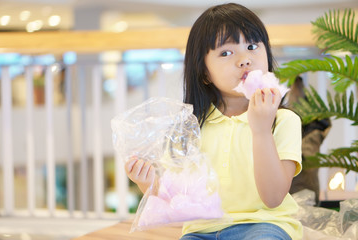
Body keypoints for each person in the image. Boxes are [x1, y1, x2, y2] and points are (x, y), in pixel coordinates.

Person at [125, 3, 303, 240]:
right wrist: (147, 184)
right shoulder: (189, 127)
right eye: (226, 53)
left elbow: (273, 198)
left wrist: (261, 129)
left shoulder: (283, 121)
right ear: (204, 73)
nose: (244, 60)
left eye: (252, 46)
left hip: (265, 225)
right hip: (201, 231)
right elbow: (177, 199)